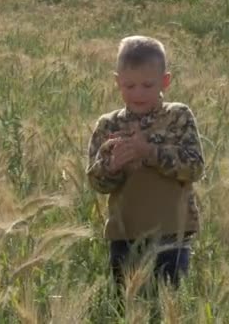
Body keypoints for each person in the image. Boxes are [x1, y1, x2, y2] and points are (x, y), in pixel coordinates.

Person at [86, 35, 205, 296]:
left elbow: (195, 166)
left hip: (173, 233)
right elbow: (95, 182)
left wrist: (149, 152)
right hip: (124, 234)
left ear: (165, 81)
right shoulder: (108, 125)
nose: (138, 93)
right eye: (129, 86)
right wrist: (111, 167)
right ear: (117, 81)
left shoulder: (178, 117)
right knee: (126, 304)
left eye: (147, 85)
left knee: (168, 304)